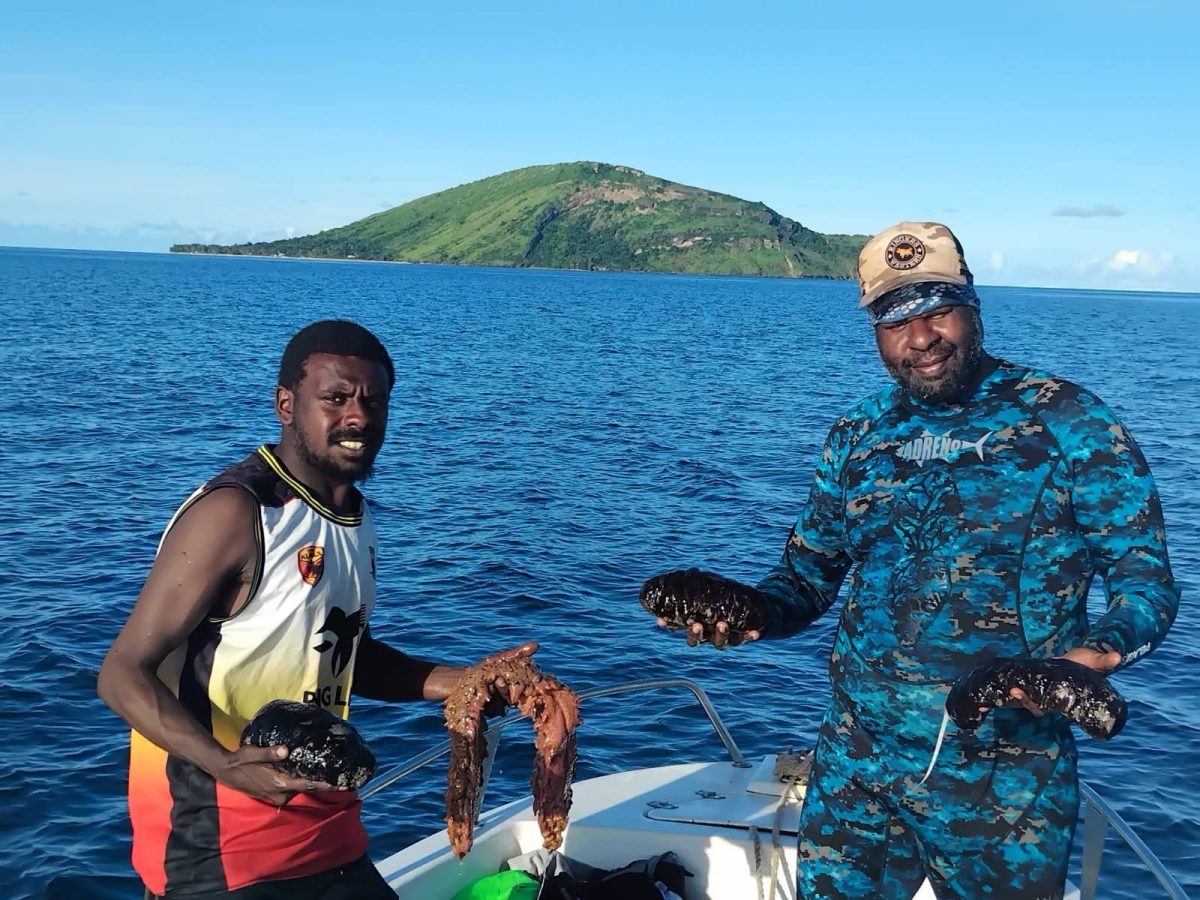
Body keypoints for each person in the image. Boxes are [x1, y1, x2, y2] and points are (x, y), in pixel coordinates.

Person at [646, 222, 1179, 898]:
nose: (920, 337)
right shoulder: (858, 435)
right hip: (855, 765)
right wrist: (748, 612)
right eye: (896, 319)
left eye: (937, 309)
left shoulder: (1071, 422)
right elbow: (806, 580)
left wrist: (1090, 660)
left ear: (972, 302)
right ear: (874, 327)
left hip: (1004, 781)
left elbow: (1146, 583)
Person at [98, 320, 535, 899]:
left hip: (330, 833)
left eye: (373, 401)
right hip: (223, 856)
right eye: (335, 398)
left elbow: (341, 650)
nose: (358, 417)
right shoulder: (235, 513)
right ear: (286, 404)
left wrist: (462, 682)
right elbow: (122, 673)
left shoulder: (356, 517)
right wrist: (225, 763)